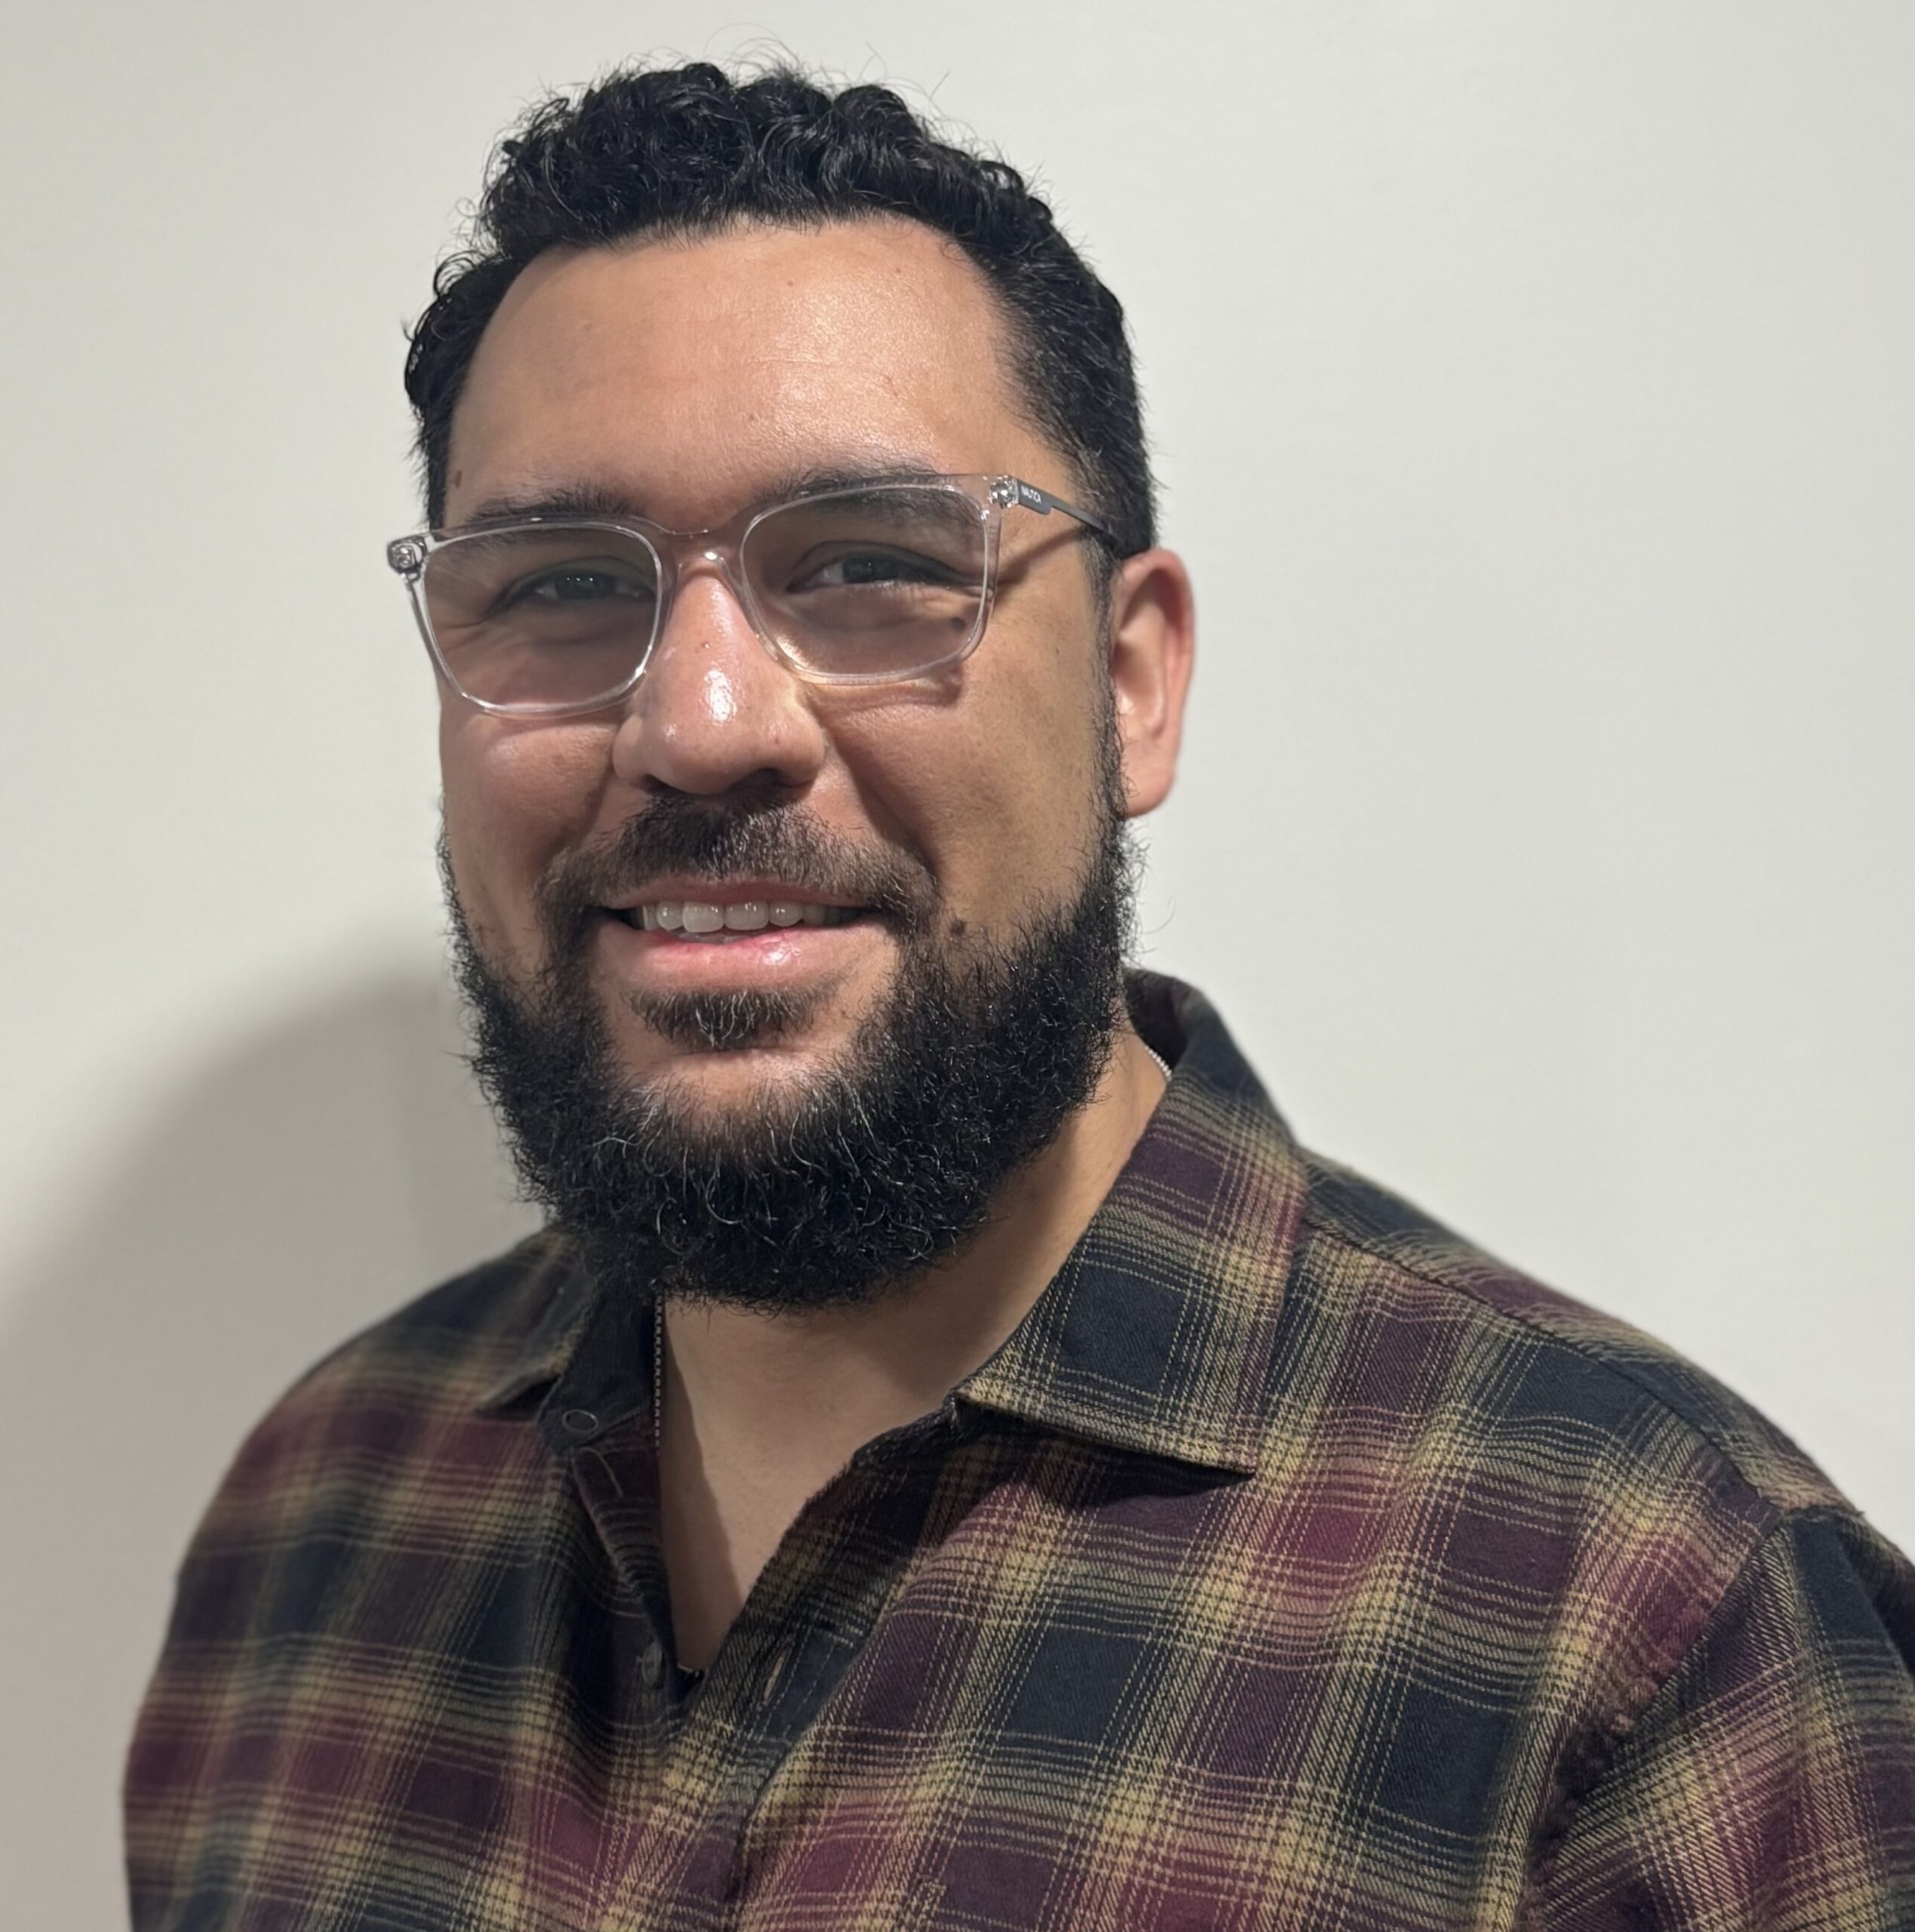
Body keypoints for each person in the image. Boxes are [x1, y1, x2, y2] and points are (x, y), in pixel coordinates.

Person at [124, 60, 1915, 1931]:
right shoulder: (316, 1523)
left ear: (1132, 684)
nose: (704, 722)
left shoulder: (1650, 1636)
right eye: (564, 583)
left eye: (878, 565)